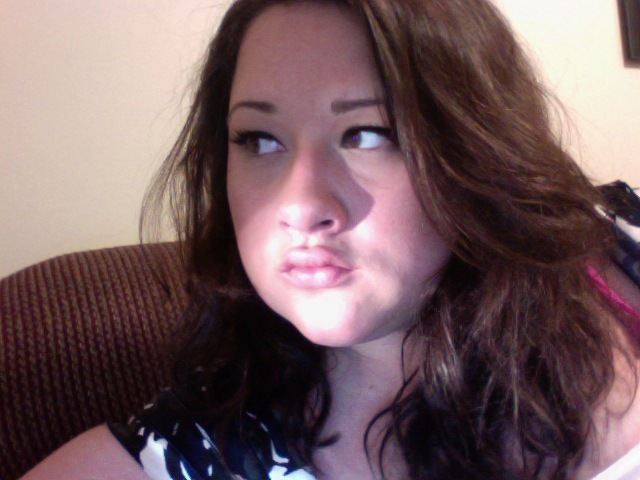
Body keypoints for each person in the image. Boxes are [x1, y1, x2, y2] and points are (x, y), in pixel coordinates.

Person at [22, 0, 640, 479]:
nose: (299, 206)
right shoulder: (196, 449)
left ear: (476, 147)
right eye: (259, 140)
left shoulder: (618, 240)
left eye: (367, 134)